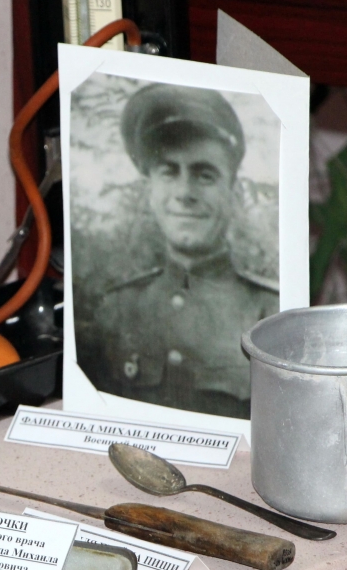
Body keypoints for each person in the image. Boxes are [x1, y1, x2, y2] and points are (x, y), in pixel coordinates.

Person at [75, 83, 279, 419]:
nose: (184, 192)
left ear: (232, 190)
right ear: (150, 191)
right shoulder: (116, 309)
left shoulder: (269, 314)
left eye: (205, 175)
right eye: (169, 172)